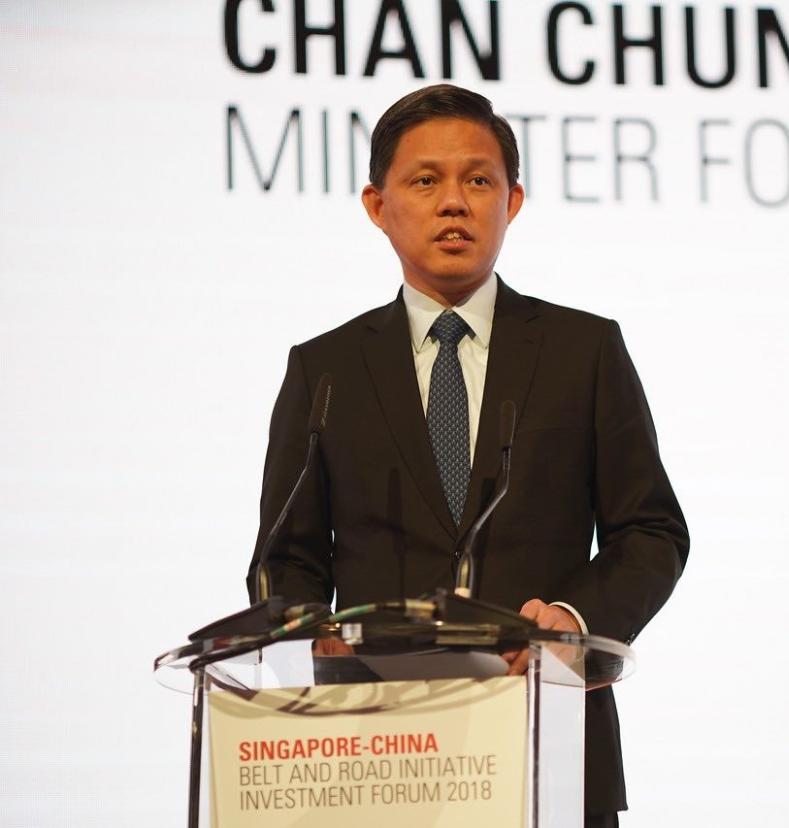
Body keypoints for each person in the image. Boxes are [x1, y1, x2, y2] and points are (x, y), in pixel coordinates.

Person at [246, 83, 689, 827]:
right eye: (425, 180)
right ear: (376, 206)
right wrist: (305, 633)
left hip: (547, 736)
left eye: (477, 180)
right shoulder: (322, 370)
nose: (454, 202)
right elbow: (284, 555)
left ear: (512, 201)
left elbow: (651, 533)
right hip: (374, 745)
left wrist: (575, 621)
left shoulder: (585, 351)